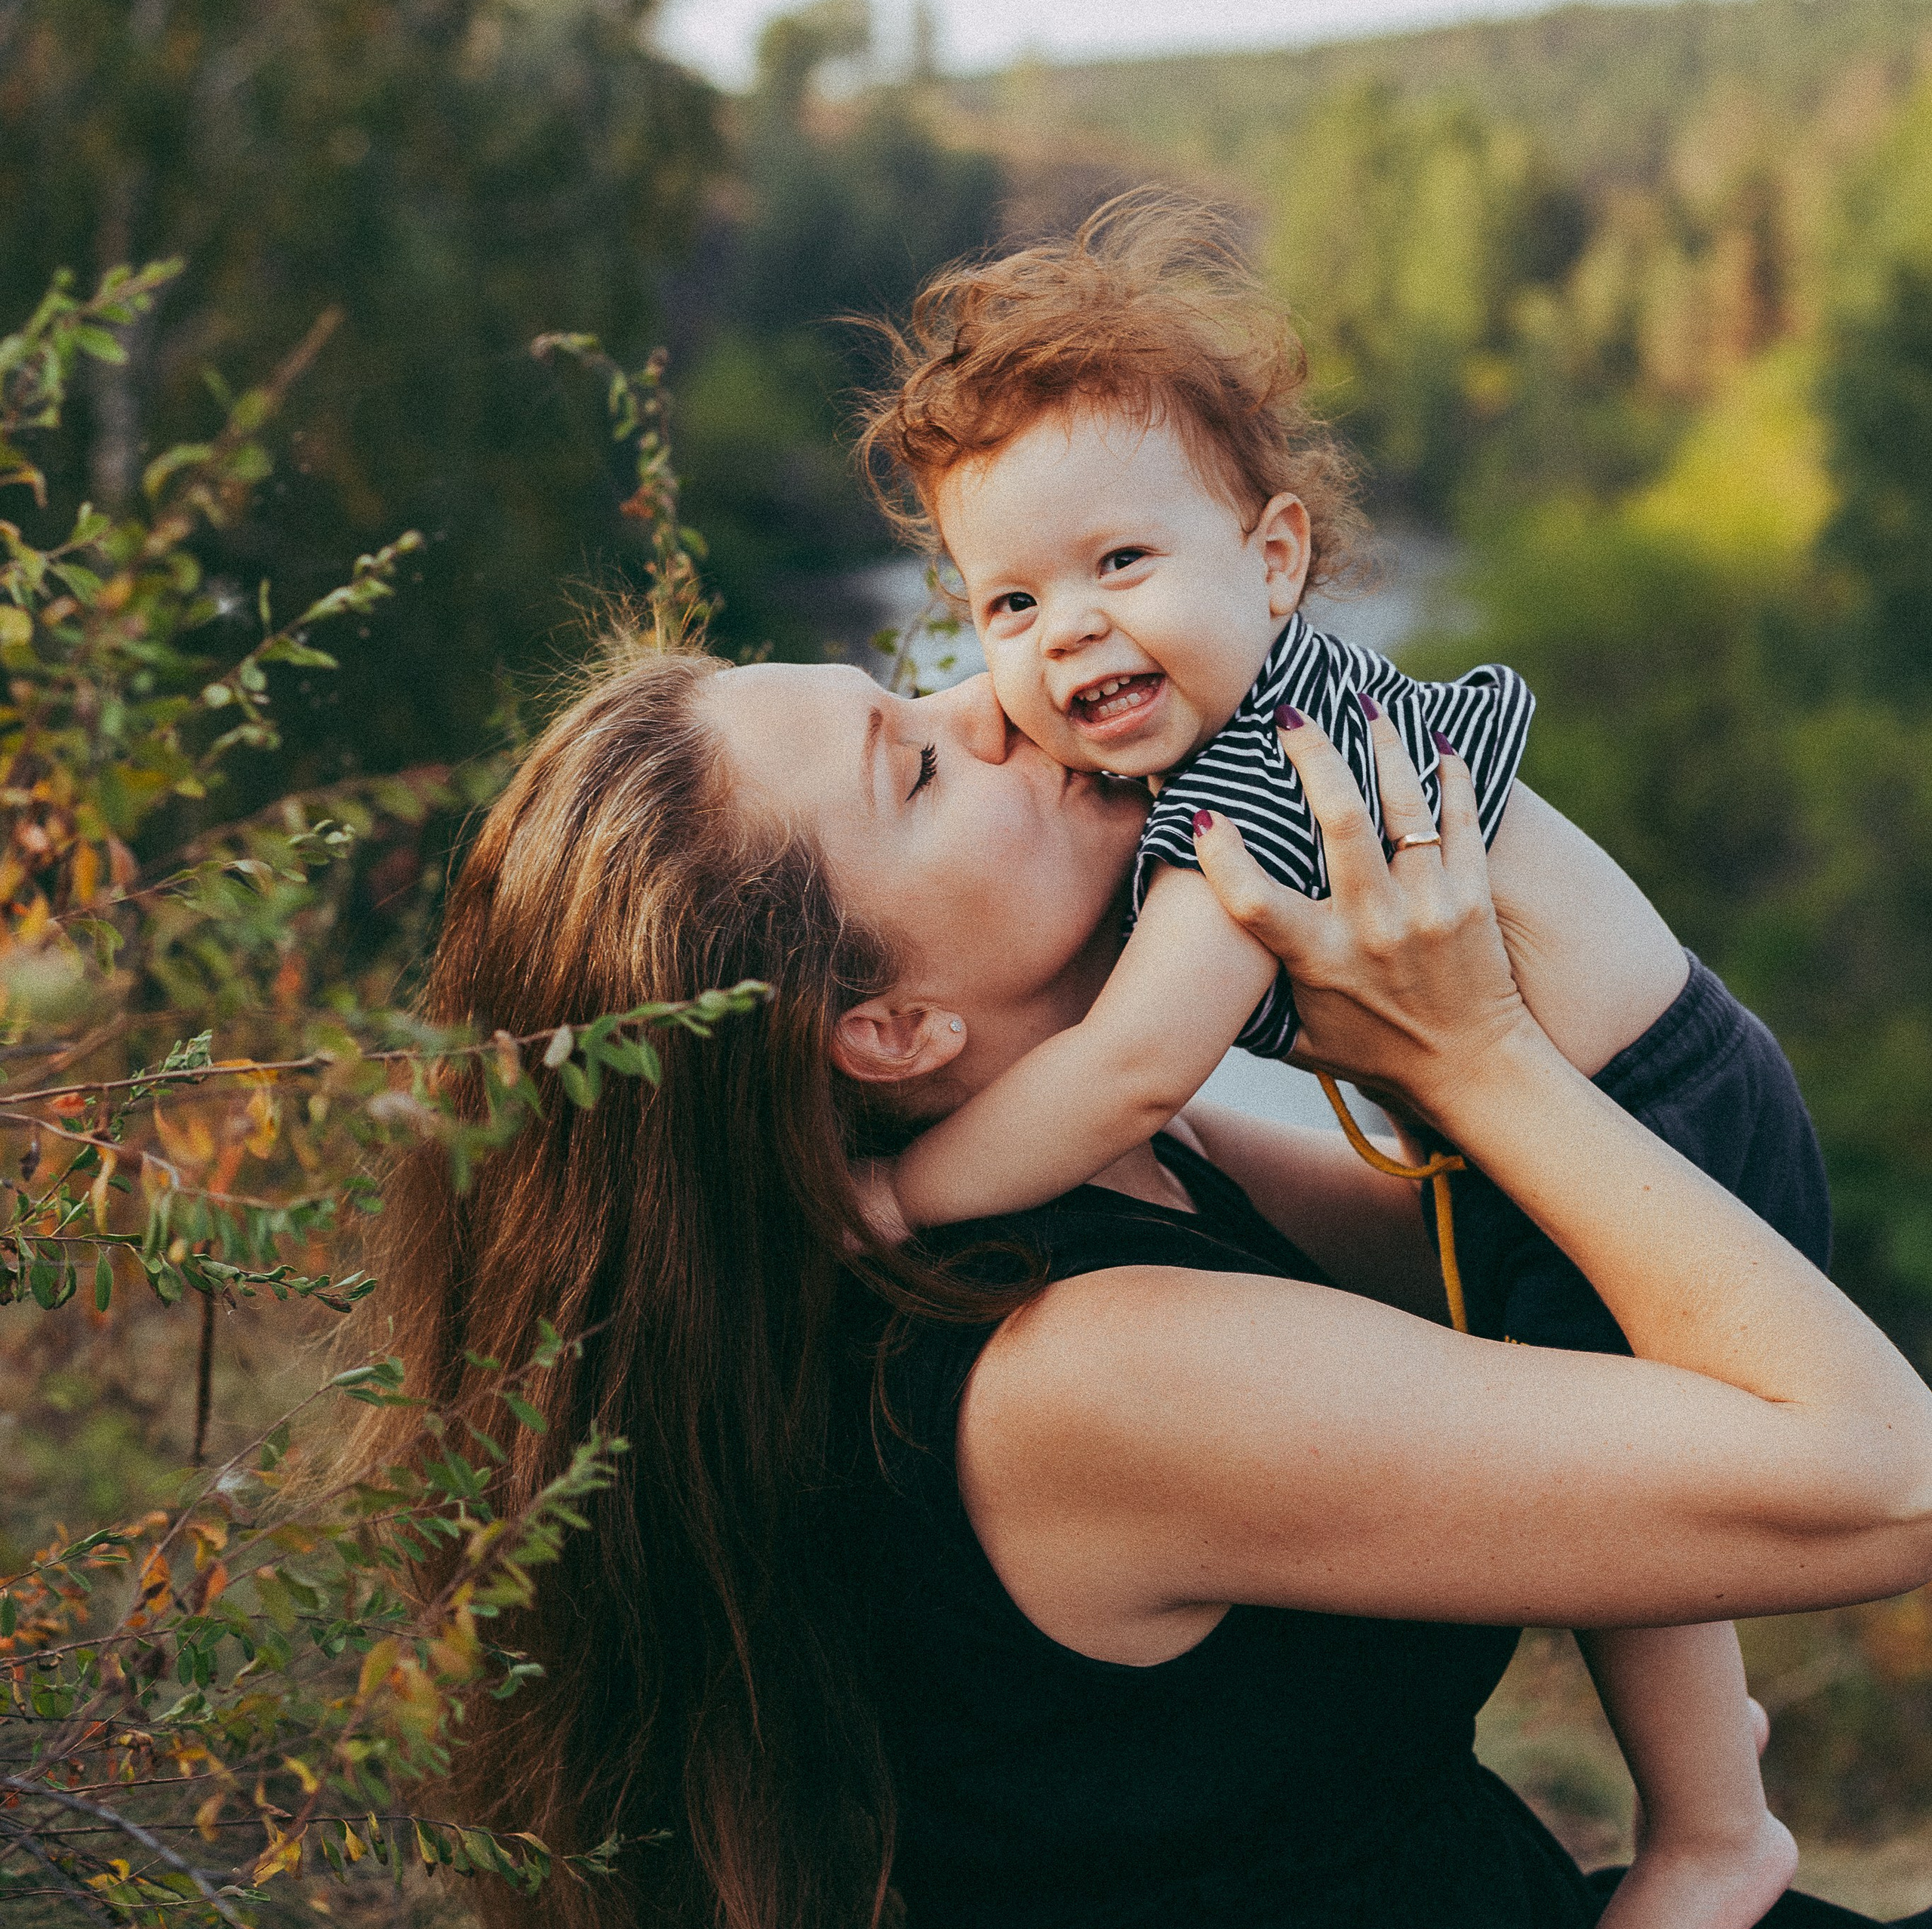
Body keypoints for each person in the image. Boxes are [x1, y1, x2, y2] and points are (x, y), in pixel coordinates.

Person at [371, 635, 1932, 1929]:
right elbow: (1886, 1484)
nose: (990, 701)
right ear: (886, 1030)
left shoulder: (1095, 1172)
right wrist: (1472, 1055)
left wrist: (1383, 1000)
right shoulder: (1079, 1368)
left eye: (918, 690)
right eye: (918, 767)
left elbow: (1558, 1289)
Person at [851, 194, 1816, 1928]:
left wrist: (901, 1185)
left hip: (1651, 1117)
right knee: (1603, 1468)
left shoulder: (1264, 772)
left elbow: (1131, 1071)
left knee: (1638, 1482)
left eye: (1119, 564)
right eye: (1008, 598)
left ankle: (1709, 1829)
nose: (1063, 634)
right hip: (1569, 1115)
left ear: (1273, 560)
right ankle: (1708, 1753)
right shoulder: (1217, 740)